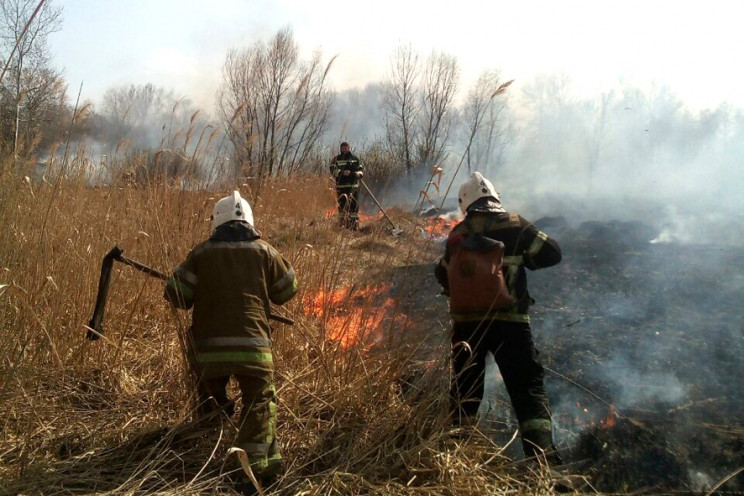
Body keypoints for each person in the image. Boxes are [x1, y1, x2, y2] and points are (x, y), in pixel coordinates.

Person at [164, 191, 298, 492]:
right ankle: (250, 470)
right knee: (260, 400)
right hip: (254, 350)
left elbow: (176, 295)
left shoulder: (200, 253)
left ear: (216, 222)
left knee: (209, 392)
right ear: (250, 221)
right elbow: (288, 290)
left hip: (208, 352)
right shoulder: (264, 251)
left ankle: (212, 429)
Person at [434, 172, 563, 465]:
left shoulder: (459, 234)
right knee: (527, 390)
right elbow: (552, 253)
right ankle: (544, 464)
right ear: (494, 197)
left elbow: (441, 273)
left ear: (466, 203)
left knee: (465, 390)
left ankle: (456, 458)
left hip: (468, 329)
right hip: (512, 326)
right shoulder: (516, 225)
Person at [329, 141, 364, 229]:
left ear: (349, 148)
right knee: (342, 206)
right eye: (343, 148)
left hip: (354, 187)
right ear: (340, 149)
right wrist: (342, 172)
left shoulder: (355, 159)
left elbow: (361, 169)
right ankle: (342, 225)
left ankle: (354, 226)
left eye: (346, 148)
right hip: (342, 187)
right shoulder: (336, 159)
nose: (345, 149)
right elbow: (332, 170)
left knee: (354, 206)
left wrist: (359, 173)